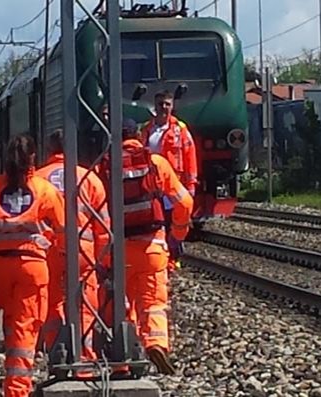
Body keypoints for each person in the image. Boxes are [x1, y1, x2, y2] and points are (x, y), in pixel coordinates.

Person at [0, 135, 66, 397]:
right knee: (23, 334)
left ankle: (13, 379)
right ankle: (17, 391)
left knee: (11, 325)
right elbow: (64, 231)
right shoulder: (44, 190)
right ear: (33, 159)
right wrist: (51, 244)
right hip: (31, 269)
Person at [103, 117, 193, 375]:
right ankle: (155, 343)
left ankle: (124, 358)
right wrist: (177, 233)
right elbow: (184, 203)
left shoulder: (105, 167)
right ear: (138, 136)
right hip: (152, 247)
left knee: (122, 304)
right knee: (153, 302)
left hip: (118, 249)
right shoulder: (156, 164)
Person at [35, 130, 110, 360]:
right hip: (83, 251)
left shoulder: (37, 179)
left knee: (51, 299)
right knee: (85, 303)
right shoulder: (89, 178)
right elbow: (104, 227)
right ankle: (85, 354)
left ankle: (57, 349)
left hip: (49, 250)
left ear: (49, 150)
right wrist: (105, 261)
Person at [140, 91, 197, 267]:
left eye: (167, 104)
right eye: (160, 104)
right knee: (157, 222)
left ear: (172, 106)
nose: (163, 108)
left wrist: (191, 186)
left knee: (176, 223)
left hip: (173, 184)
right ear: (154, 107)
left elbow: (190, 158)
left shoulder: (180, 130)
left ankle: (173, 259)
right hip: (153, 186)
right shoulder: (147, 130)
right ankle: (161, 259)